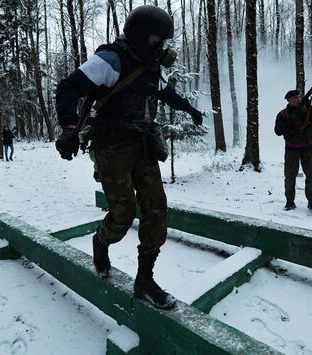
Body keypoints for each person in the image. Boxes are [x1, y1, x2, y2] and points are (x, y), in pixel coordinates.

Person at [55, 5, 203, 310]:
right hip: (113, 146)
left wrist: (189, 109)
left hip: (143, 143)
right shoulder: (112, 59)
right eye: (155, 39)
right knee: (122, 214)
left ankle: (145, 280)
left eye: (163, 41)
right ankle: (101, 241)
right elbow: (69, 87)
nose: (160, 46)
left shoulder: (153, 66)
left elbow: (166, 93)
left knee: (156, 208)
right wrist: (70, 128)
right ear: (138, 35)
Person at [274, 89, 312, 215]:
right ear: (289, 100)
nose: (298, 99)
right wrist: (291, 121)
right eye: (295, 98)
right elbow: (278, 131)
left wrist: (309, 107)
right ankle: (290, 201)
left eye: (299, 97)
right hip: (291, 149)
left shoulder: (307, 109)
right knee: (290, 176)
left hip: (308, 148)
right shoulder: (283, 114)